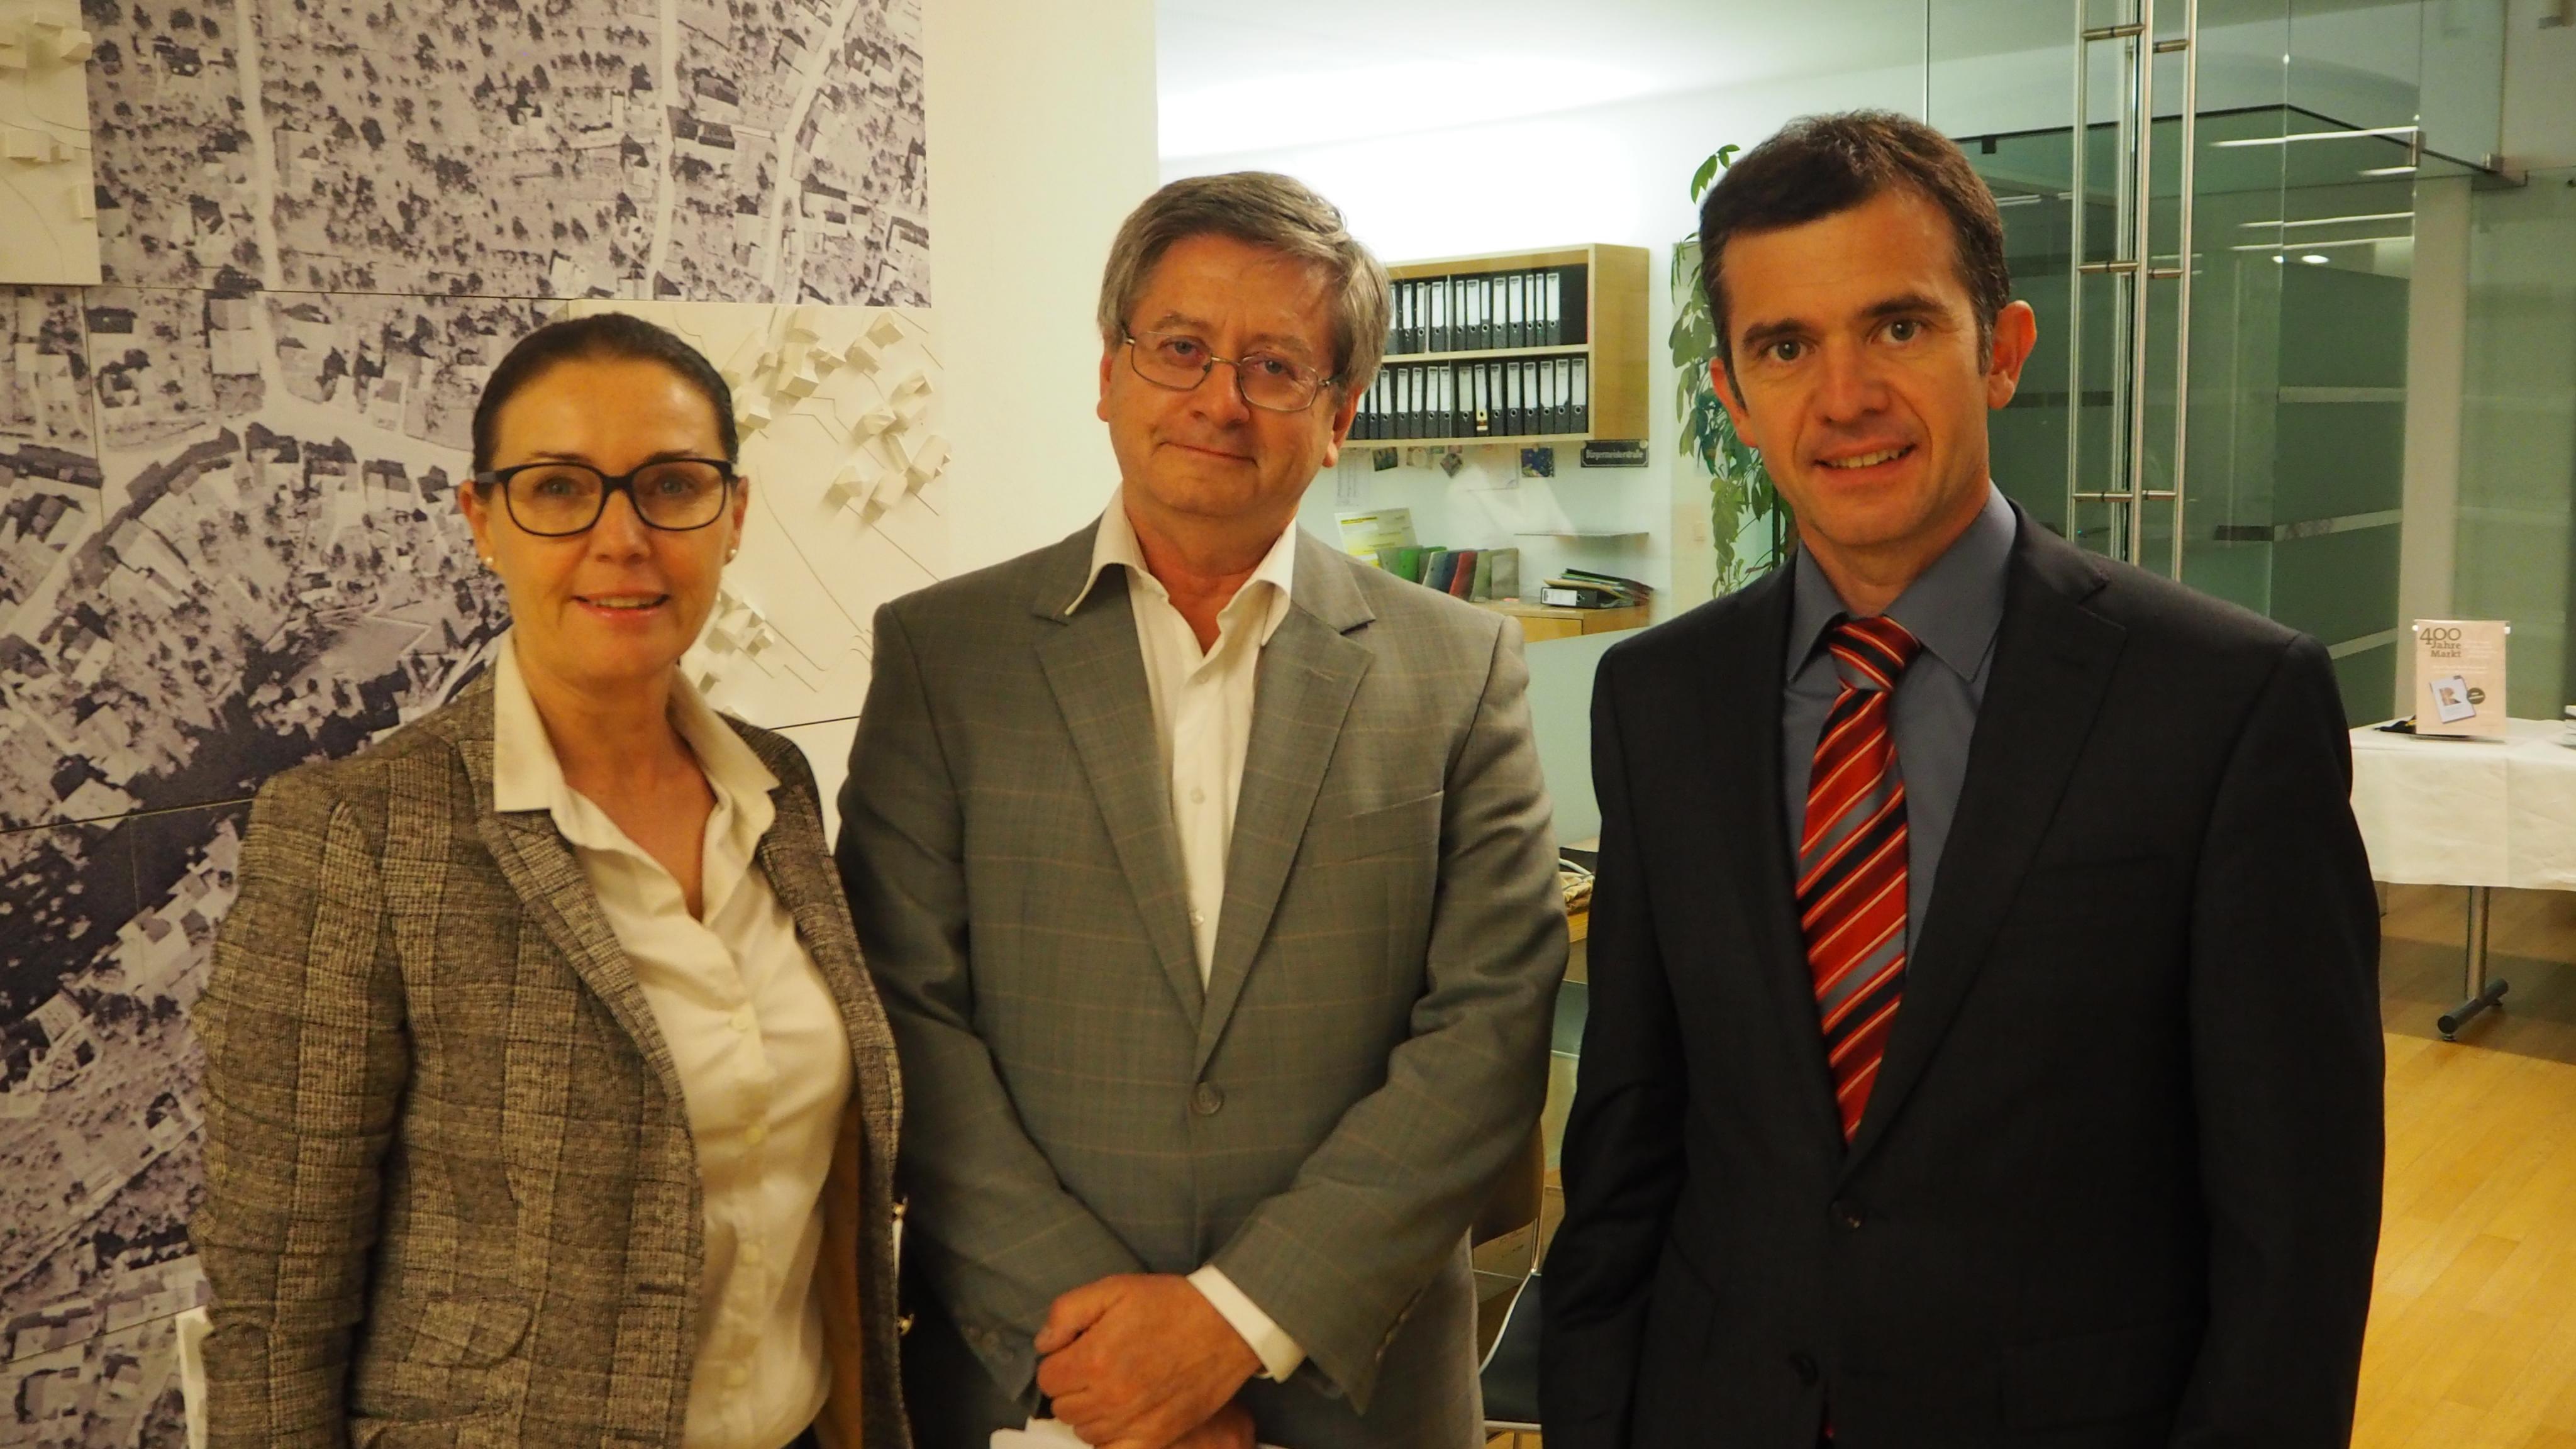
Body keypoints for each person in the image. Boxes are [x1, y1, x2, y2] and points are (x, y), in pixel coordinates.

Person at [1541, 111, 2383, 1449]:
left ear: (2000, 351)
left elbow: (2298, 1223)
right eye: (1784, 347)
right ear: (1734, 399)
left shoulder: (2225, 703)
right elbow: (1629, 1123)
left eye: (1896, 326)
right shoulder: (1658, 702)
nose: (1844, 398)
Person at [836, 171, 1567, 1449]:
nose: (1219, 400)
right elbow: (905, 1020)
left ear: (1338, 417)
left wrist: (1231, 1327)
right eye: (1179, 348)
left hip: (1352, 1394)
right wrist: (1107, 1362)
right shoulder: (945, 659)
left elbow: (1490, 1029)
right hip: (1035, 1388)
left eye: (1275, 367)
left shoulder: (1458, 669)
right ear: (1108, 374)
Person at [194, 313, 909, 1449]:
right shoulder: (359, 837)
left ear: (732, 517)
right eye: (561, 489)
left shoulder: (777, 788)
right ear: (484, 521)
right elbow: (275, 1313)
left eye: (671, 486)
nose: (623, 538)